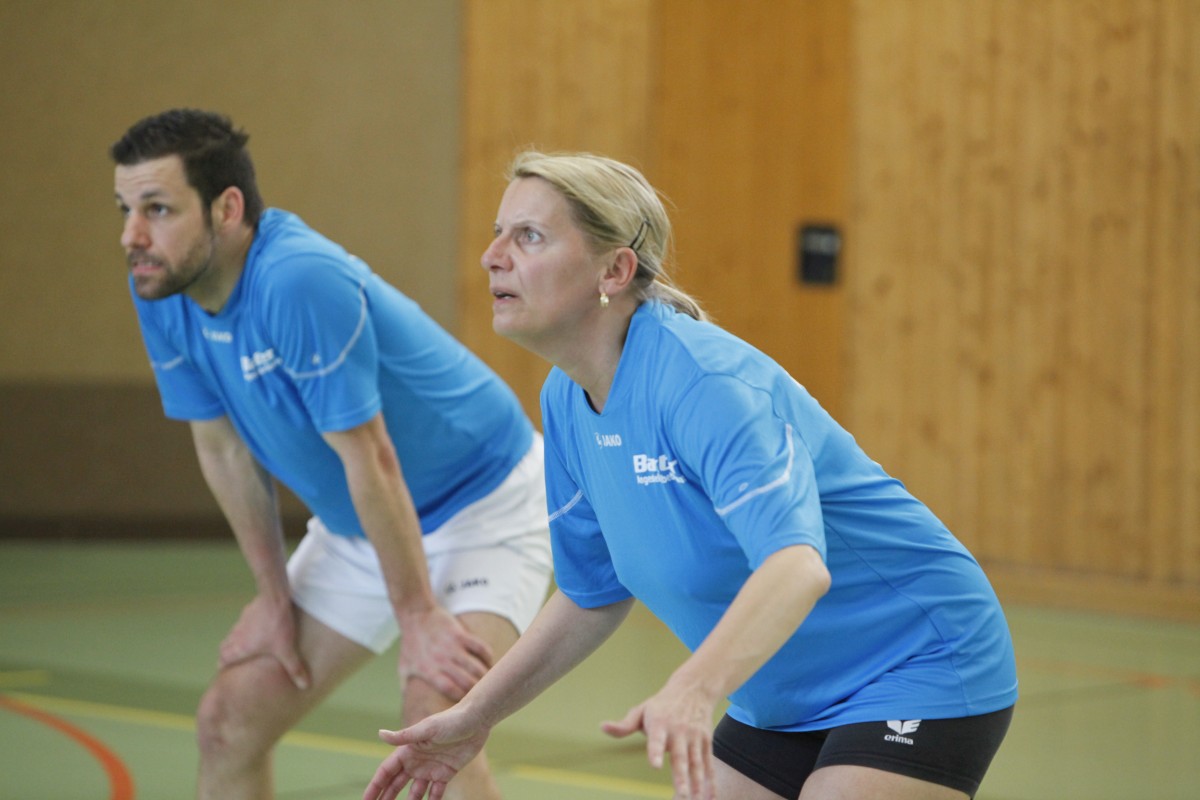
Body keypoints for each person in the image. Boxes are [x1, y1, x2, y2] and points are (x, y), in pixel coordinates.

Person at [363, 151, 1018, 800]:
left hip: (917, 659)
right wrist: (474, 716)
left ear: (615, 270)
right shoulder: (567, 397)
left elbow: (797, 566)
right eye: (497, 232)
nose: (493, 256)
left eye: (529, 236)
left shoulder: (703, 383)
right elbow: (592, 594)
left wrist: (693, 688)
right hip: (780, 691)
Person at [111, 109, 553, 800]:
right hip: (363, 525)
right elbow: (222, 449)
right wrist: (272, 597)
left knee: (438, 728)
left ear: (227, 209)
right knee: (228, 722)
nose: (132, 235)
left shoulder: (297, 279)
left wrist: (418, 616)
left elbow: (371, 456)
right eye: (126, 209)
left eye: (157, 209)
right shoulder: (163, 285)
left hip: (484, 505)